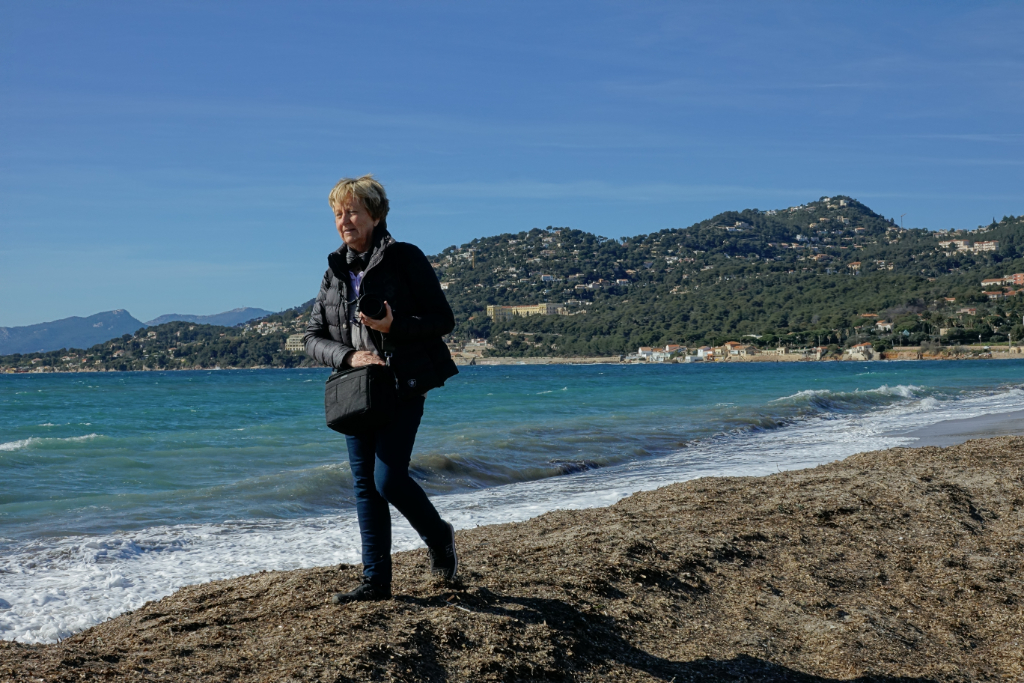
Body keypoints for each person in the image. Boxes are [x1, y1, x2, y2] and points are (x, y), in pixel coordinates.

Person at [304, 175, 460, 603]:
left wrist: (394, 327)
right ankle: (376, 582)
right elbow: (312, 336)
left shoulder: (404, 257)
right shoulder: (334, 271)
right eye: (338, 213)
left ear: (375, 214)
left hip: (403, 382)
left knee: (388, 480)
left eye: (352, 211)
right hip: (356, 388)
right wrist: (348, 356)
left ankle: (438, 536)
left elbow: (442, 320)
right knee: (364, 485)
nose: (344, 220)